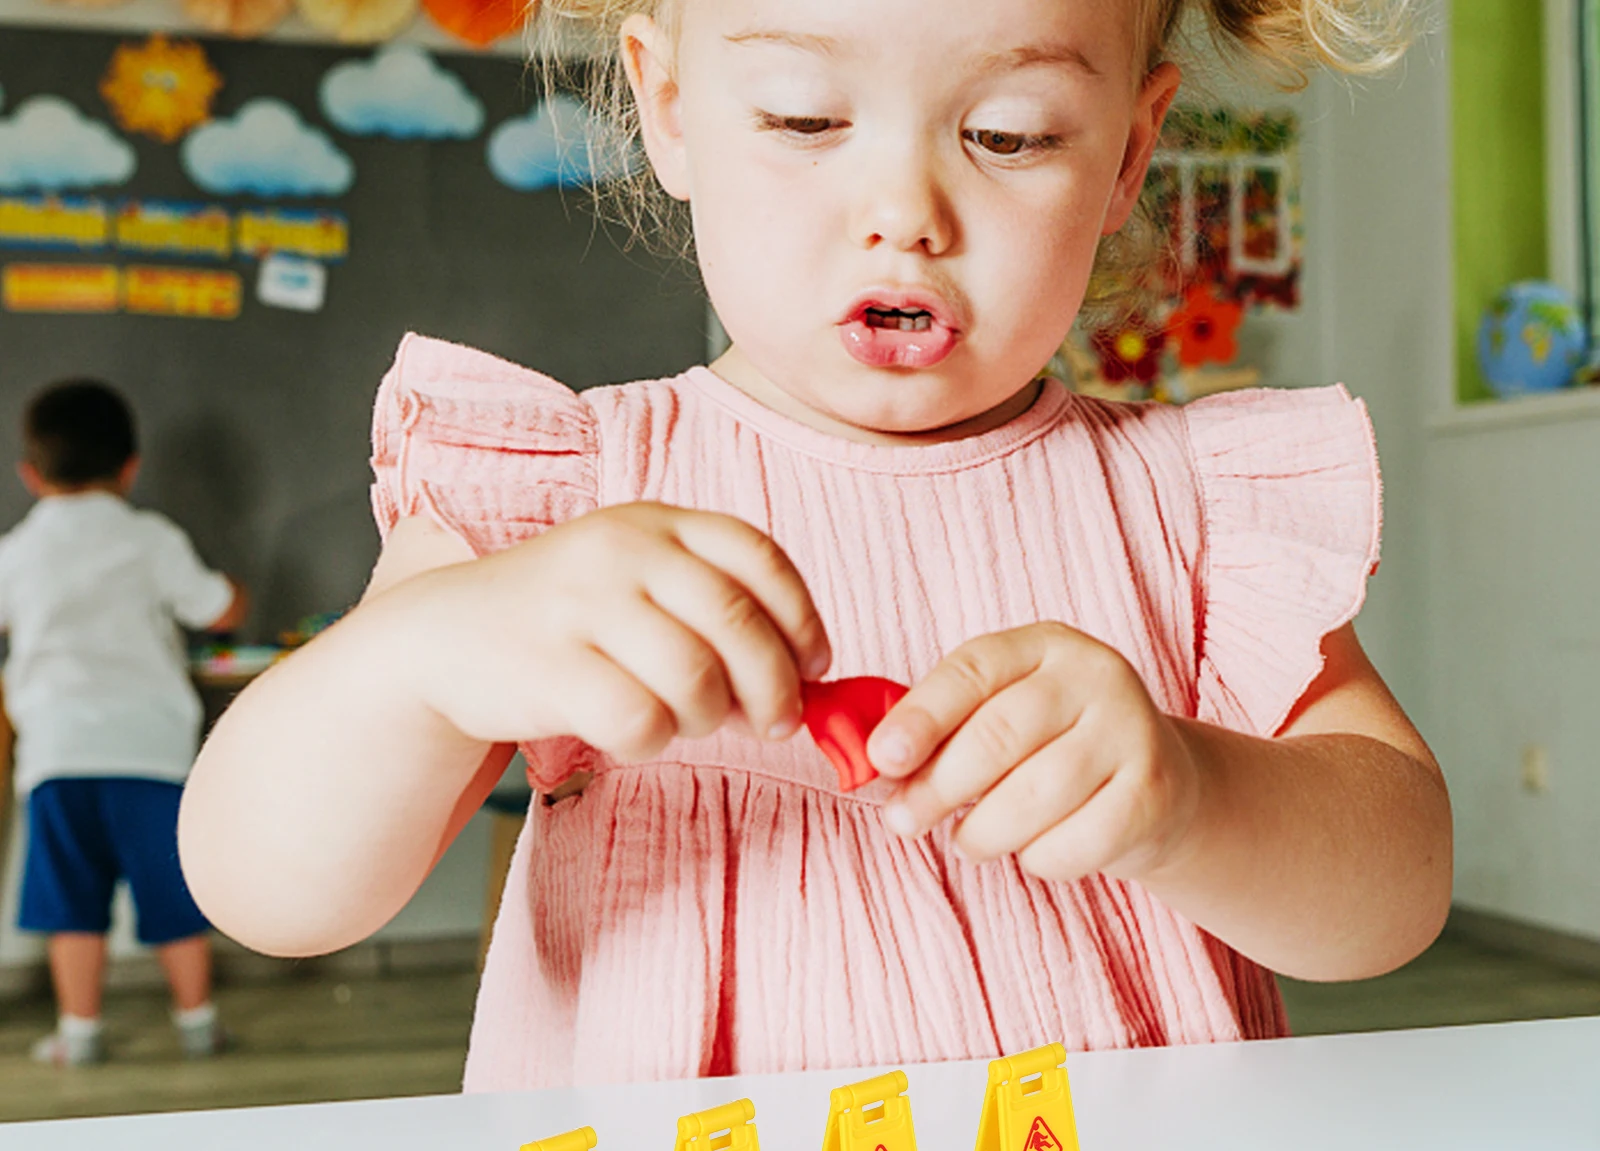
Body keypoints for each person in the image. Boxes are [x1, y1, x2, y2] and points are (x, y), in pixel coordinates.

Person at [179, 0, 1451, 1090]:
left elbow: (1395, 887)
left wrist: (1193, 796)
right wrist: (428, 655)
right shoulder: (566, 493)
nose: (902, 212)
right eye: (801, 118)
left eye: (1008, 134)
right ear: (668, 107)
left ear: (1128, 152)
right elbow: (267, 889)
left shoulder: (1188, 505)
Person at [0, 380, 246, 1064]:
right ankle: (198, 1023)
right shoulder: (152, 538)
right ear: (130, 466)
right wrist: (235, 592)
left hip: (57, 750)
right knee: (171, 890)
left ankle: (79, 1033)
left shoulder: (15, 553)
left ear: (31, 474)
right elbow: (215, 609)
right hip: (150, 746)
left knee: (72, 902)